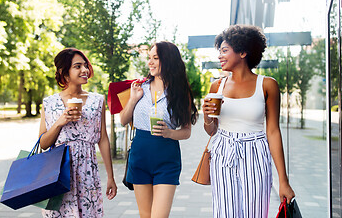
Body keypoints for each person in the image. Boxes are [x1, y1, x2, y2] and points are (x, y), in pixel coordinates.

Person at [202, 25, 295, 218]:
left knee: (256, 213)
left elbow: (273, 132)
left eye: (225, 50)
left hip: (256, 152)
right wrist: (207, 117)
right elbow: (211, 130)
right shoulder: (216, 85)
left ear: (243, 52)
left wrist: (283, 180)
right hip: (223, 153)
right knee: (225, 213)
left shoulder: (268, 85)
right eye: (219, 51)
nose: (220, 56)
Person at [120, 41, 198, 218]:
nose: (150, 62)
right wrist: (133, 99)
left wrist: (169, 133)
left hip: (166, 159)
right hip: (140, 157)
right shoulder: (140, 87)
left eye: (155, 58)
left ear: (168, 60)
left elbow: (186, 131)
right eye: (149, 58)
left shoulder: (180, 92)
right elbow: (124, 120)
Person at [38, 48, 117, 217]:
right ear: (64, 73)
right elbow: (43, 143)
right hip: (57, 175)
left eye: (85, 65)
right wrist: (60, 122)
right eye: (78, 66)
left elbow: (103, 139)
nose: (85, 70)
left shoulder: (97, 100)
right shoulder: (50, 103)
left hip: (87, 174)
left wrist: (111, 176)